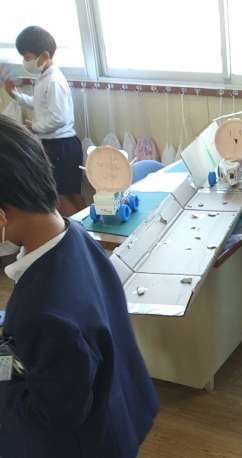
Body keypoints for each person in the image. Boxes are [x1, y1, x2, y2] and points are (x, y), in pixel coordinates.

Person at [0, 115, 159, 457]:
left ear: (3, 215)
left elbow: (55, 415)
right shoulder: (75, 234)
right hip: (119, 407)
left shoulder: (44, 312)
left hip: (86, 440)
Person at [4, 25, 85, 217]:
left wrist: (34, 127)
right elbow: (40, 104)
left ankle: (77, 229)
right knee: (69, 193)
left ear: (45, 56)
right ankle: (85, 227)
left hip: (61, 146)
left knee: (62, 196)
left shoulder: (53, 81)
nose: (25, 62)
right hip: (58, 145)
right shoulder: (44, 77)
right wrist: (16, 95)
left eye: (28, 57)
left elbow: (59, 118)